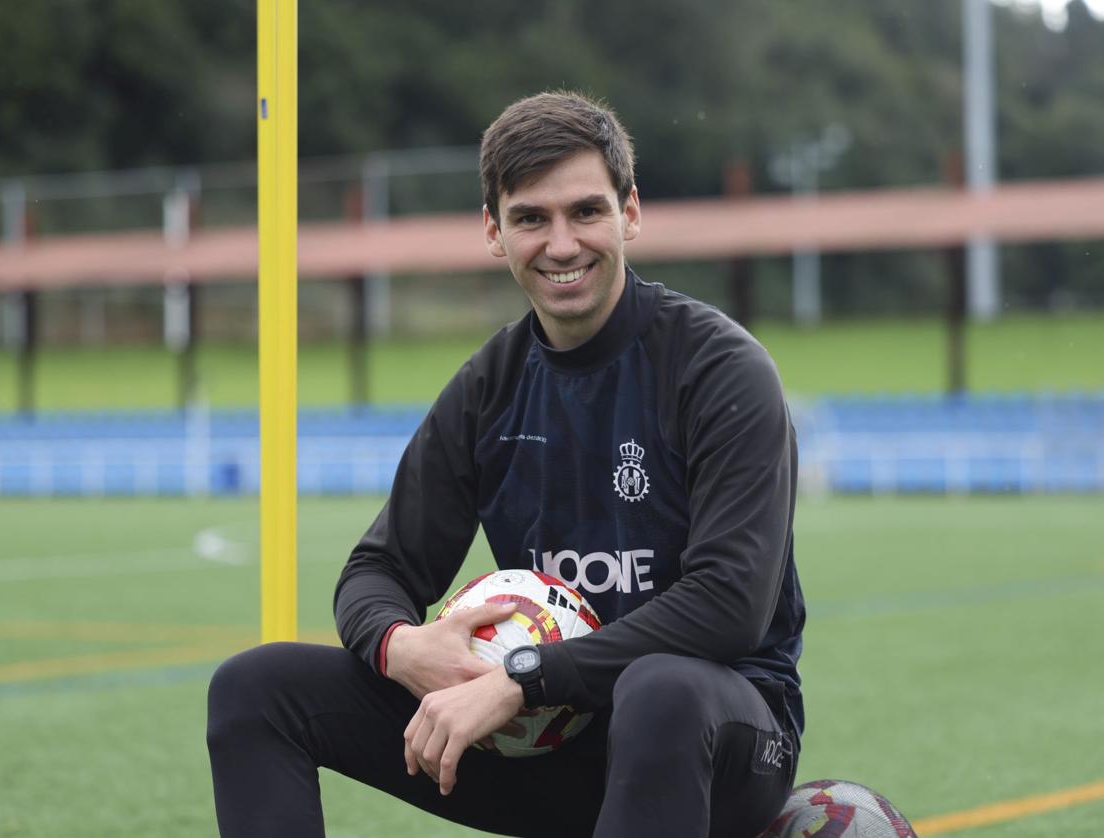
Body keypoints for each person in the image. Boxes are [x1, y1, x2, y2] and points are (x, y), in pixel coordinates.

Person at [207, 90, 805, 838]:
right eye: (530, 218)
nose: (561, 244)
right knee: (256, 687)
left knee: (662, 690)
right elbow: (376, 570)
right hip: (539, 743)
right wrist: (404, 645)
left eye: (586, 211)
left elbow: (729, 604)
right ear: (494, 230)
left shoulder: (718, 368)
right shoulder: (490, 387)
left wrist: (523, 679)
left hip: (718, 745)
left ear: (631, 213)